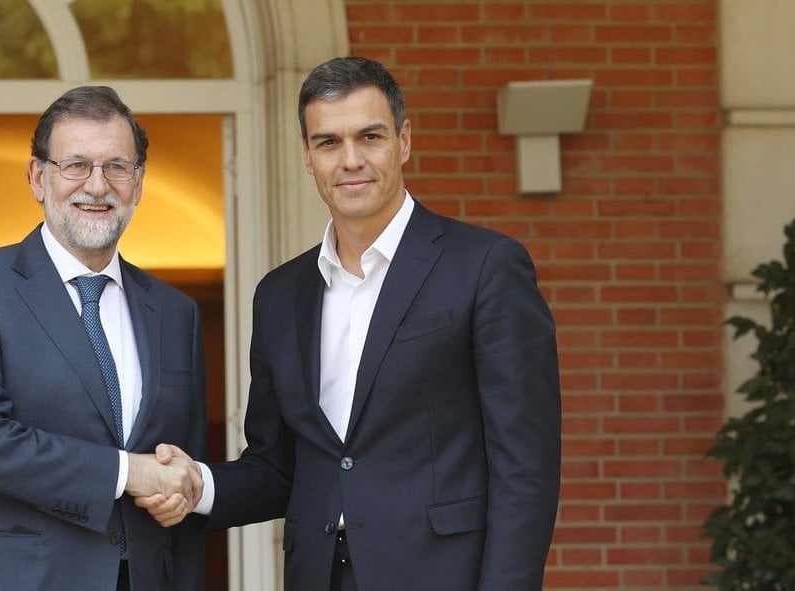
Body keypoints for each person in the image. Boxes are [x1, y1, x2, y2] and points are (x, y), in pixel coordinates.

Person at [138, 57, 561, 589]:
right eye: (328, 143)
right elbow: (278, 467)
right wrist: (198, 484)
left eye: (370, 136)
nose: (351, 160)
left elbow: (526, 468)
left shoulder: (484, 267)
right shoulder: (279, 295)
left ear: (404, 141)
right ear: (308, 156)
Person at [0, 85, 207, 591]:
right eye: (75, 165)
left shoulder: (175, 312)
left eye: (117, 167)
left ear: (139, 182)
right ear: (38, 176)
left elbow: (179, 470)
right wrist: (128, 473)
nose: (97, 186)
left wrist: (174, 492)